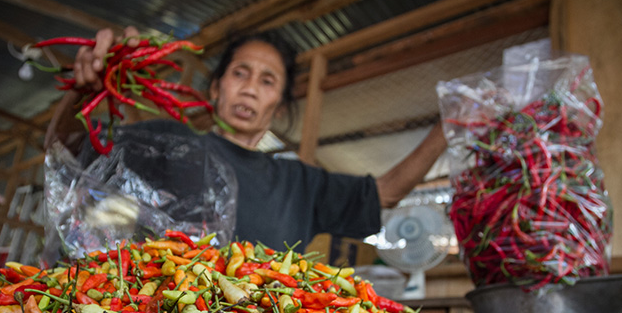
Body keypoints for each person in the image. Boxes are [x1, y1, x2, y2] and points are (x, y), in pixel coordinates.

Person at [45, 27, 447, 250]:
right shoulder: (167, 143)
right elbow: (63, 146)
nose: (251, 88)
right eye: (240, 73)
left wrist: (448, 127)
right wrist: (83, 92)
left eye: (267, 80)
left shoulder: (302, 185)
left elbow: (386, 192)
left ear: (279, 106)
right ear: (216, 89)